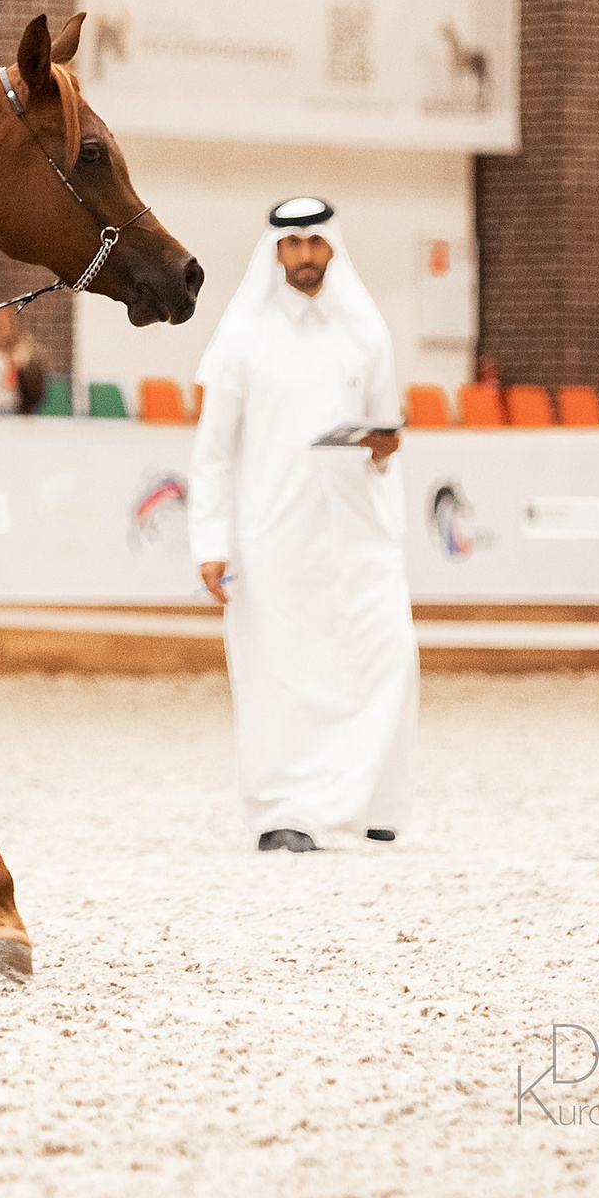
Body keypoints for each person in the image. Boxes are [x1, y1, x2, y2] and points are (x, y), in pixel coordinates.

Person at [188, 197, 417, 854]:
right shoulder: (242, 338)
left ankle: (376, 799)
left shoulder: (366, 330)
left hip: (359, 533)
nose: (306, 257)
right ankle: (284, 810)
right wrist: (211, 541)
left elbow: (387, 429)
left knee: (385, 653)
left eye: (316, 244)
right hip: (273, 536)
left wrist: (383, 443)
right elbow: (213, 451)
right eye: (294, 246)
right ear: (275, 252)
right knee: (281, 672)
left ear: (333, 248)